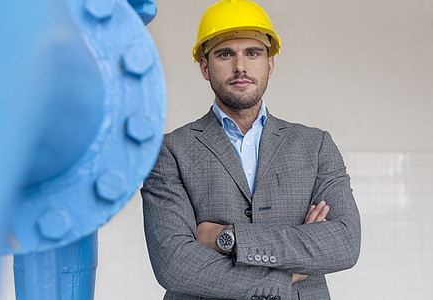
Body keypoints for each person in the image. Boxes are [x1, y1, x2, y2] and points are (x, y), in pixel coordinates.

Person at [141, 0, 361, 299]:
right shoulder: (170, 151)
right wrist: (286, 274)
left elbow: (343, 243)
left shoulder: (315, 145)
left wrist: (226, 238)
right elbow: (175, 265)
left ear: (269, 64)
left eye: (253, 53)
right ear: (205, 67)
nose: (240, 66)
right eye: (225, 54)